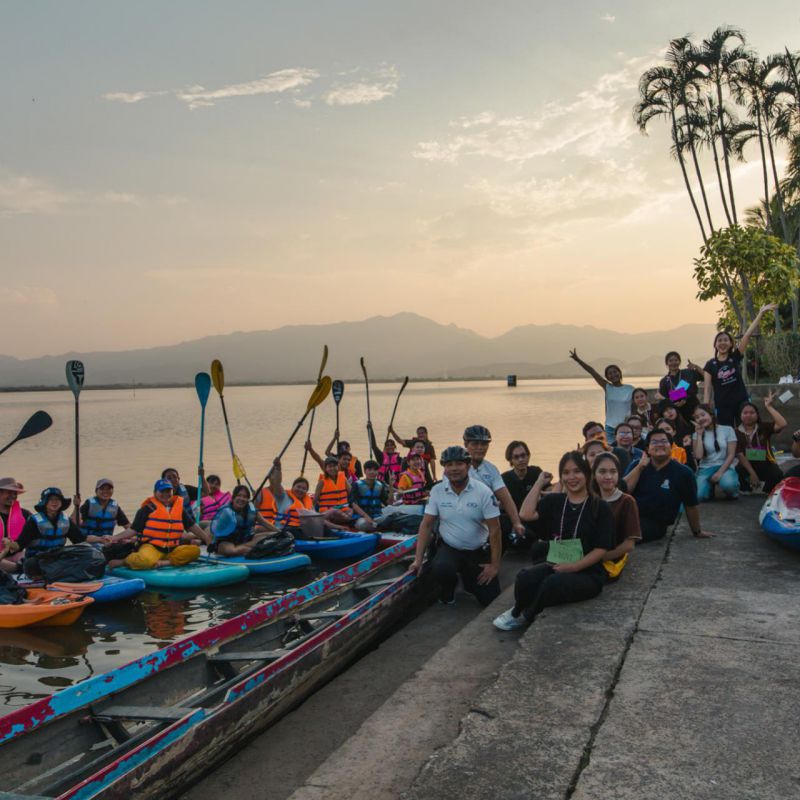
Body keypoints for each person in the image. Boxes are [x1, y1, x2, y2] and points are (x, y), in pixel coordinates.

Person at [493, 451, 613, 631]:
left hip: (588, 571)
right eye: (565, 473)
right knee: (525, 576)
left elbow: (602, 548)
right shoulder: (556, 501)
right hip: (559, 561)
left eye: (577, 471)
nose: (571, 477)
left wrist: (574, 567)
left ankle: (527, 615)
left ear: (587, 474)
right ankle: (517, 609)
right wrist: (539, 482)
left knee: (552, 583)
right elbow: (525, 514)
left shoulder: (599, 506)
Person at [408, 446, 501, 607]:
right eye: (449, 465)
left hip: (477, 550)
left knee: (490, 599)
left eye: (459, 464)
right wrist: (417, 560)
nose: (454, 469)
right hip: (450, 548)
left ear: (468, 466)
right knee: (441, 569)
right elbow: (426, 525)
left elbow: (495, 530)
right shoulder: (437, 491)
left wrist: (494, 565)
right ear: (444, 468)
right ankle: (448, 591)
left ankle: (468, 581)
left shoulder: (483, 492)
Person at [625, 430, 714, 542]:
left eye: (664, 441)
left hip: (654, 523)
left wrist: (697, 531)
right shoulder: (637, 465)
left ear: (671, 446)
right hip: (628, 515)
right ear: (647, 449)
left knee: (622, 534)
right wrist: (639, 468)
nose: (660, 444)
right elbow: (623, 491)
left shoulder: (684, 473)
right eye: (654, 442)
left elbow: (691, 504)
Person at [703, 303, 777, 426]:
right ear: (715, 344)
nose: (723, 343)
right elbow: (707, 389)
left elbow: (747, 335)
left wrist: (761, 313)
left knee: (746, 430)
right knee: (727, 433)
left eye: (726, 340)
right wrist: (705, 408)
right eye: (719, 340)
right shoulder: (710, 364)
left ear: (731, 344)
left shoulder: (735, 357)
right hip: (722, 405)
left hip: (741, 402)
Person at [124, 479, 211, 570]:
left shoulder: (178, 509)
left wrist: (206, 538)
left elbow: (192, 526)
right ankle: (125, 561)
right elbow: (133, 530)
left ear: (172, 492)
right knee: (145, 561)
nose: (166, 494)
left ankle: (164, 563)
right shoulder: (147, 509)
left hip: (172, 549)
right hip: (152, 548)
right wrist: (114, 538)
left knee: (195, 551)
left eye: (168, 491)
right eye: (162, 491)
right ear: (155, 492)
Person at [16, 488, 102, 578]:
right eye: (51, 500)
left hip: (57, 559)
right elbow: (20, 544)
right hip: (38, 560)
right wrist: (11, 544)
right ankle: (52, 575)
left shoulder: (66, 520)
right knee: (30, 564)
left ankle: (60, 573)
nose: (54, 502)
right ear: (45, 502)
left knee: (88, 551)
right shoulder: (34, 521)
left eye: (57, 499)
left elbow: (81, 539)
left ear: (61, 502)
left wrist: (101, 539)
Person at [462, 425, 526, 542]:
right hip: (462, 519)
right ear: (466, 444)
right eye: (475, 444)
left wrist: (517, 523)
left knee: (516, 530)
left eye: (484, 444)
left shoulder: (491, 469)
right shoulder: (456, 467)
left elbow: (506, 498)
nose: (480, 448)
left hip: (486, 519)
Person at [591, 452, 642, 580]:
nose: (608, 476)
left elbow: (629, 545)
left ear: (618, 474)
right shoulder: (590, 499)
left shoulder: (626, 501)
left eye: (613, 472)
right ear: (594, 474)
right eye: (602, 472)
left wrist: (595, 558)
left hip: (609, 560)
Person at [569, 351, 634, 444]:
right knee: (610, 451)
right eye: (610, 373)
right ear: (607, 377)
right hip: (610, 428)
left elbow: (636, 406)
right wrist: (578, 360)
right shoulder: (607, 387)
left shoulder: (630, 389)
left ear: (619, 373)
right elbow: (592, 372)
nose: (613, 374)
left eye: (615, 372)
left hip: (625, 427)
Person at [735, 394, 787, 494]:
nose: (748, 415)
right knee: (737, 471)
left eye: (752, 412)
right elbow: (740, 454)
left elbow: (782, 424)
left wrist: (769, 406)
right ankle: (745, 488)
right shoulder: (736, 432)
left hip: (764, 463)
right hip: (746, 464)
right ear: (740, 415)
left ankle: (766, 490)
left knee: (777, 474)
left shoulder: (764, 427)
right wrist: (752, 474)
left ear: (757, 415)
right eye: (745, 413)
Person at [210, 485, 279, 556]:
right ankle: (257, 550)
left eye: (245, 497)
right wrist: (212, 544)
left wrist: (281, 532)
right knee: (232, 550)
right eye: (239, 495)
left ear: (248, 500)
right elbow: (216, 532)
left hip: (246, 541)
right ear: (233, 498)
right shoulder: (225, 512)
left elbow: (265, 523)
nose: (241, 499)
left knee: (274, 535)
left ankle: (244, 548)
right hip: (227, 543)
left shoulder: (252, 511)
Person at [692, 404, 739, 501]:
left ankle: (732, 489)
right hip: (705, 468)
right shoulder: (696, 434)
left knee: (729, 486)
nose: (700, 418)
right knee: (698, 496)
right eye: (697, 417)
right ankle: (709, 488)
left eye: (703, 415)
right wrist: (699, 435)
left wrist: (720, 473)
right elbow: (698, 456)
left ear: (711, 415)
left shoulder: (727, 430)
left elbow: (731, 454)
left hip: (724, 466)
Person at [257, 460, 315, 533]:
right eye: (298, 487)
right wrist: (278, 468)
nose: (300, 490)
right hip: (284, 530)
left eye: (304, 489)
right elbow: (277, 483)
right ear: (292, 487)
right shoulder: (283, 497)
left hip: (302, 529)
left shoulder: (308, 502)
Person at [655, 352, 704, 421]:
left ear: (679, 362)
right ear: (667, 363)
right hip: (677, 413)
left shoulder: (688, 373)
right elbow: (665, 402)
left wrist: (696, 367)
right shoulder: (664, 381)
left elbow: (706, 377)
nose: (673, 363)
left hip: (694, 408)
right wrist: (673, 399)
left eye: (676, 360)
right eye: (670, 361)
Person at [312, 453, 354, 527]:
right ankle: (339, 523)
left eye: (334, 466)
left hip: (342, 510)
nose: (332, 468)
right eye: (329, 466)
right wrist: (311, 512)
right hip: (328, 512)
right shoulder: (322, 482)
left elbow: (351, 492)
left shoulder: (343, 478)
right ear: (325, 468)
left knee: (350, 511)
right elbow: (315, 500)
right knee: (334, 511)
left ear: (338, 467)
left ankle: (345, 519)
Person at [350, 461, 391, 531]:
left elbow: (389, 503)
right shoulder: (356, 484)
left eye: (375, 470)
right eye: (369, 470)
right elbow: (353, 504)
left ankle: (377, 527)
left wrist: (391, 485)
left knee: (390, 518)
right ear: (365, 471)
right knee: (363, 524)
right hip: (362, 518)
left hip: (377, 516)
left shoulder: (380, 485)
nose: (372, 472)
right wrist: (366, 517)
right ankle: (378, 527)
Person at [0, 478, 30, 573]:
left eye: (15, 493)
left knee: (28, 557)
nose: (13, 496)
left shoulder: (25, 514)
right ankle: (20, 569)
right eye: (9, 492)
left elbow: (42, 525)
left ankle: (23, 568)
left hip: (17, 556)